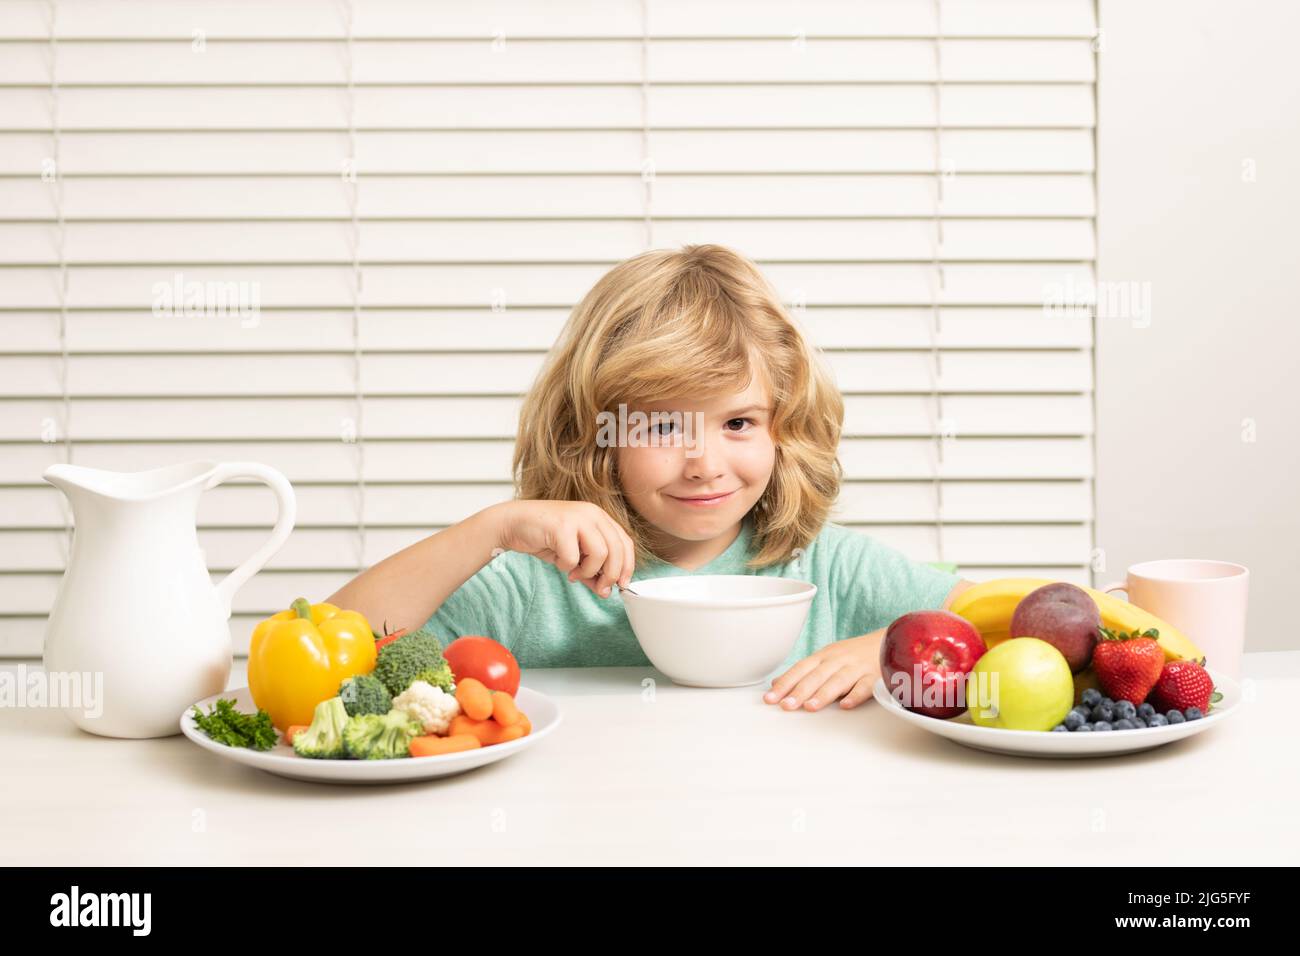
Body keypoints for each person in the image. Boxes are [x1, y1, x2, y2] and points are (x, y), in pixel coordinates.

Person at [329, 244, 973, 712]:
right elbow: (330, 657)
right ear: (594, 436)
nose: (705, 462)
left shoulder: (826, 568)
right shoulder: (535, 582)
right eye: (662, 428)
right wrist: (489, 530)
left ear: (785, 425)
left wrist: (892, 649)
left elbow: (1043, 625)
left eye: (740, 423)